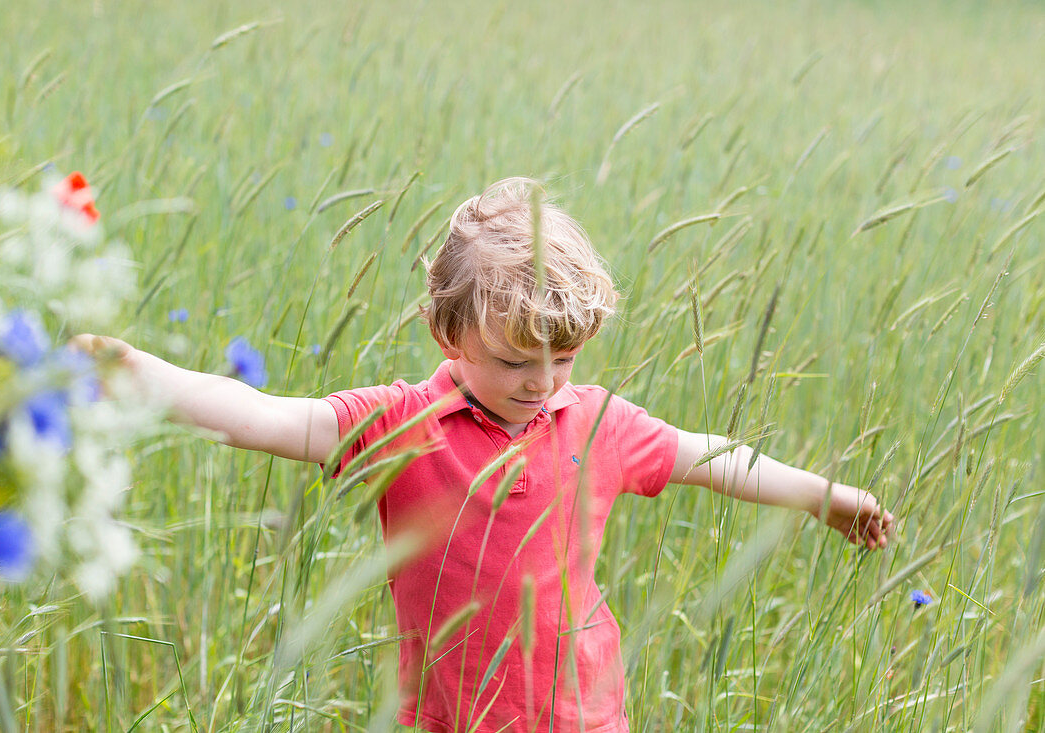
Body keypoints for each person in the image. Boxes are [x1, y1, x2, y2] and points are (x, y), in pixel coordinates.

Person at [73, 177, 894, 733]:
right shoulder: (399, 424)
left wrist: (825, 495)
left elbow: (713, 456)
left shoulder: (599, 422)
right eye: (513, 361)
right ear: (447, 333)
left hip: (584, 718)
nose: (542, 382)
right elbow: (262, 415)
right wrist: (134, 372)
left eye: (563, 359)